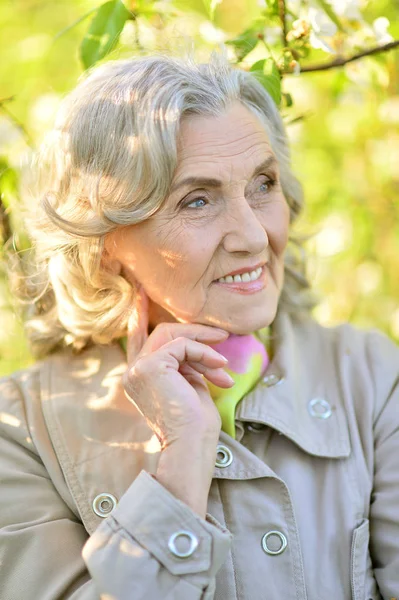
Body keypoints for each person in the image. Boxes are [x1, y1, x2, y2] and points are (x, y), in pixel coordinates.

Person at [0, 48, 398, 600]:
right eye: (197, 201)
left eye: (263, 184)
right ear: (104, 246)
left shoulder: (375, 379)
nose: (254, 236)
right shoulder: (19, 432)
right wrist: (182, 462)